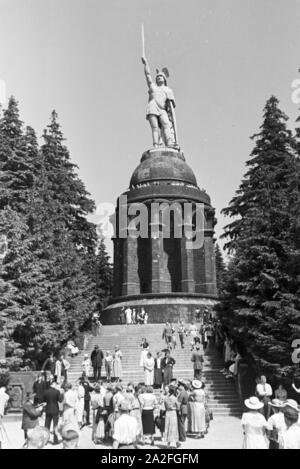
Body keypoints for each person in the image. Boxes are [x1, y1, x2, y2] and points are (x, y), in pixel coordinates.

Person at [141, 56, 176, 148]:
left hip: (162, 109)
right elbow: (148, 76)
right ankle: (156, 144)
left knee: (166, 124)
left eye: (161, 76)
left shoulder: (168, 90)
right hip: (152, 107)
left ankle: (169, 143)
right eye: (157, 77)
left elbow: (170, 107)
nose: (159, 78)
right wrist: (146, 64)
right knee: (155, 128)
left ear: (164, 79)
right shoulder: (153, 87)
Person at [43, 378, 63, 445]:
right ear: (53, 384)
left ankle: (45, 440)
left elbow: (44, 400)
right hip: (55, 410)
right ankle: (55, 440)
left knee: (47, 425)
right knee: (55, 425)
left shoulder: (46, 391)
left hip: (48, 409)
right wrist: (61, 394)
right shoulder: (57, 391)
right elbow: (60, 400)